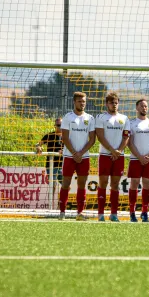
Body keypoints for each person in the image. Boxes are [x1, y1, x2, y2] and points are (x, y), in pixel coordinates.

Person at [59, 92, 96, 220]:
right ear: (74, 102)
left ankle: (80, 213)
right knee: (65, 184)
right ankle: (62, 213)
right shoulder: (68, 117)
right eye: (80, 101)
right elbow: (64, 138)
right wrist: (75, 153)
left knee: (82, 185)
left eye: (84, 101)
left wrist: (80, 153)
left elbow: (92, 139)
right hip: (69, 156)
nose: (82, 103)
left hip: (83, 157)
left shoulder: (90, 118)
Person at [95, 92, 131, 222]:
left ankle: (114, 214)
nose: (114, 105)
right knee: (103, 183)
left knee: (115, 184)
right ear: (106, 104)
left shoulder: (124, 118)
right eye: (111, 103)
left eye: (116, 103)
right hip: (105, 155)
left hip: (118, 156)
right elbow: (100, 136)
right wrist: (112, 150)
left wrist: (119, 151)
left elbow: (126, 136)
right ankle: (100, 214)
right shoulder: (101, 117)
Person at [127, 99, 149, 223]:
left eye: (146, 106)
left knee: (147, 184)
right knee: (134, 183)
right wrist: (139, 156)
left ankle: (145, 212)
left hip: (148, 159)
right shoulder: (131, 123)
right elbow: (129, 143)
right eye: (141, 106)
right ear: (137, 108)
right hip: (136, 159)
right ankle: (132, 212)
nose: (144, 108)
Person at [36, 117, 63, 208]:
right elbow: (38, 143)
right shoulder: (49, 135)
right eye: (58, 125)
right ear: (55, 126)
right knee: (53, 186)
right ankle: (50, 207)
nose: (60, 127)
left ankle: (61, 206)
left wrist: (64, 150)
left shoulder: (67, 136)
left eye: (62, 125)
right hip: (51, 165)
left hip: (63, 164)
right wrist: (38, 147)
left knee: (66, 186)